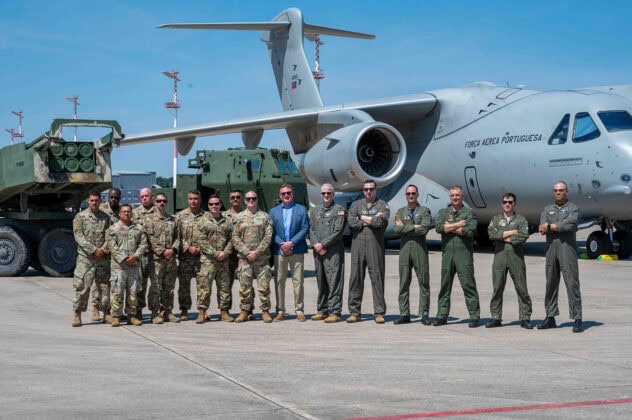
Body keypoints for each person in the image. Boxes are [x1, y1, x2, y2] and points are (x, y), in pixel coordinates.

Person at [537, 181, 583, 333]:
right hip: (551, 250)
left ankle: (577, 318)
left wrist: (551, 227)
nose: (558, 193)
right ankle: (550, 317)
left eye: (561, 190)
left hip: (567, 250)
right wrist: (556, 226)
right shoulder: (547, 209)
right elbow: (541, 228)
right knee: (550, 283)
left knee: (571, 283)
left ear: (566, 192)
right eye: (556, 190)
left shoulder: (572, 208)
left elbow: (571, 224)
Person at [433, 185, 481, 328]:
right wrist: (459, 224)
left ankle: (474, 316)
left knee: (468, 285)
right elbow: (439, 228)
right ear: (450, 197)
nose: (455, 198)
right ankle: (442, 315)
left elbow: (469, 230)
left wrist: (450, 227)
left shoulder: (469, 212)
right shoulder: (443, 212)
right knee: (445, 286)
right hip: (447, 255)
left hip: (463, 255)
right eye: (453, 195)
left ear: (462, 197)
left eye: (457, 195)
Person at [486, 193, 533, 329]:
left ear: (514, 204)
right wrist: (512, 232)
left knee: (521, 288)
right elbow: (491, 234)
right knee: (497, 287)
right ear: (502, 203)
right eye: (505, 202)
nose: (507, 204)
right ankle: (496, 317)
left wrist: (503, 237)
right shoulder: (496, 219)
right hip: (500, 257)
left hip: (516, 257)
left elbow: (523, 235)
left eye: (510, 202)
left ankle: (525, 317)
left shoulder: (521, 219)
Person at [347, 179, 390, 324]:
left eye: (371, 189)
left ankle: (378, 312)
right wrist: (371, 219)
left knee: (377, 277)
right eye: (366, 189)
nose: (368, 192)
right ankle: (354, 312)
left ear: (375, 190)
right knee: (355, 278)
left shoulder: (382, 205)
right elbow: (351, 222)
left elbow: (381, 222)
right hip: (358, 245)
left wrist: (363, 218)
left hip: (375, 246)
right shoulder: (356, 204)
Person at [231, 191, 274, 323]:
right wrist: (246, 252)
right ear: (245, 201)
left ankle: (265, 311)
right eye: (248, 198)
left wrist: (256, 252)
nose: (251, 200)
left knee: (264, 287)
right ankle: (244, 311)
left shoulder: (265, 217)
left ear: (257, 200)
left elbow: (268, 237)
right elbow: (235, 236)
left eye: (253, 198)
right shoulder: (239, 217)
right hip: (245, 260)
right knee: (245, 287)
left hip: (262, 259)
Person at [393, 184, 432, 325]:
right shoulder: (400, 211)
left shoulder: (424, 211)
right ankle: (404, 314)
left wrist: (406, 227)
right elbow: (396, 229)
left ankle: (425, 314)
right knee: (403, 282)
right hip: (404, 249)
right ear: (406, 195)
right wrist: (415, 226)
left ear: (417, 195)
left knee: (424, 282)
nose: (411, 196)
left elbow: (424, 229)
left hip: (419, 248)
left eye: (413, 193)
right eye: (408, 193)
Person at [270, 183, 309, 322]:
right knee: (279, 281)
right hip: (279, 250)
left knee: (298, 281)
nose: (286, 196)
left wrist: (291, 243)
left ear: (293, 194)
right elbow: (271, 231)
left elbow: (305, 228)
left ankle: (299, 310)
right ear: (280, 196)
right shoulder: (273, 212)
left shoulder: (302, 210)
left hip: (297, 249)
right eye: (283, 194)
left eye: (288, 193)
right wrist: (282, 244)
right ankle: (280, 310)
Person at [71, 191, 111, 327]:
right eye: (92, 200)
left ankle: (106, 313)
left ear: (100, 201)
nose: (94, 203)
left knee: (104, 287)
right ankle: (77, 314)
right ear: (88, 201)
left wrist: (103, 250)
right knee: (83, 287)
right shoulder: (80, 217)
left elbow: (109, 236)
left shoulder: (106, 218)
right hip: (86, 258)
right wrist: (94, 250)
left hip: (102, 258)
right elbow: (79, 237)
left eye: (97, 200)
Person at [106, 204, 148, 327]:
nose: (126, 214)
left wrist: (135, 256)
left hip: (134, 266)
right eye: (124, 212)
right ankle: (116, 316)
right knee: (117, 292)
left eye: (129, 211)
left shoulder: (138, 228)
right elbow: (112, 246)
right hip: (119, 267)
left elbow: (143, 244)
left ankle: (131, 316)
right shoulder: (112, 229)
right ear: (119, 214)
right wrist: (124, 258)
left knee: (133, 293)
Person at [309, 183, 347, 323]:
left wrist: (323, 244)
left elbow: (338, 231)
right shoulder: (315, 210)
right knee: (321, 279)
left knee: (334, 280)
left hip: (333, 252)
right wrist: (317, 245)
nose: (326, 195)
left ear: (333, 194)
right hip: (318, 252)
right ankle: (322, 310)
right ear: (321, 195)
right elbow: (311, 229)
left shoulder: (339, 210)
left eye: (329, 193)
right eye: (324, 193)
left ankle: (335, 311)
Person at [143, 193, 180, 324]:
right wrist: (163, 251)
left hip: (170, 259)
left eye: (164, 201)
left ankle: (167, 311)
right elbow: (149, 238)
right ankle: (154, 312)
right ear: (154, 202)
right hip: (156, 259)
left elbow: (178, 237)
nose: (161, 203)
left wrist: (172, 250)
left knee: (169, 288)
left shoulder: (172, 219)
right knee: (155, 287)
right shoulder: (149, 219)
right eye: (159, 201)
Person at [196, 195, 234, 323]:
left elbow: (232, 239)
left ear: (220, 205)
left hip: (223, 260)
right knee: (204, 287)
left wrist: (225, 252)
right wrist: (214, 253)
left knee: (224, 287)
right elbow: (201, 240)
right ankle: (202, 312)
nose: (214, 206)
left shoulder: (227, 221)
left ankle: (224, 312)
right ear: (208, 205)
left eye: (216, 204)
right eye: (211, 204)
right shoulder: (203, 220)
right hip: (208, 260)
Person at [223, 189, 254, 320]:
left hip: (244, 255)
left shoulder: (248, 214)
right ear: (229, 200)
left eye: (238, 197)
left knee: (246, 284)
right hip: (229, 256)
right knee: (226, 284)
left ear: (242, 199)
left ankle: (248, 309)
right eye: (232, 197)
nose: (235, 199)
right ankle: (226, 310)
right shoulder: (224, 216)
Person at [175, 190, 205, 321]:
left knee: (203, 286)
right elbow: (176, 236)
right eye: (191, 199)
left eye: (196, 199)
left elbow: (210, 236)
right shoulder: (180, 216)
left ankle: (202, 310)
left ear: (200, 200)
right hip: (185, 257)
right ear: (188, 200)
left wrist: (200, 247)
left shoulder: (206, 216)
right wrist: (188, 247)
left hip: (202, 257)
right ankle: (184, 310)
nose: (194, 201)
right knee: (184, 286)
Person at [131, 187, 157, 320]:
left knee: (155, 285)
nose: (144, 198)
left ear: (152, 196)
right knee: (139, 285)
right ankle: (138, 311)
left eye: (147, 196)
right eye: (142, 197)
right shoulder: (134, 214)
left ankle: (155, 311)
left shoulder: (159, 212)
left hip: (155, 256)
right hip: (140, 256)